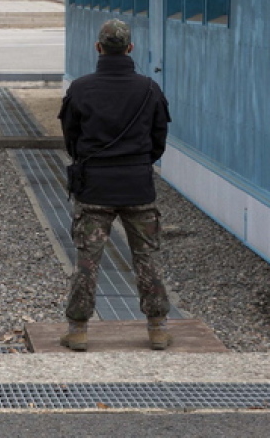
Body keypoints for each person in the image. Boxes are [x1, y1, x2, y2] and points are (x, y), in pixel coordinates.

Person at [57, 18, 173, 351]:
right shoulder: (149, 89)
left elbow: (72, 140)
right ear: (130, 48)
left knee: (87, 261)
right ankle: (158, 328)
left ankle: (78, 329)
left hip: (95, 187)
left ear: (98, 48)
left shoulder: (80, 89)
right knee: (147, 258)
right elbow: (158, 141)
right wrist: (137, 162)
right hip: (137, 185)